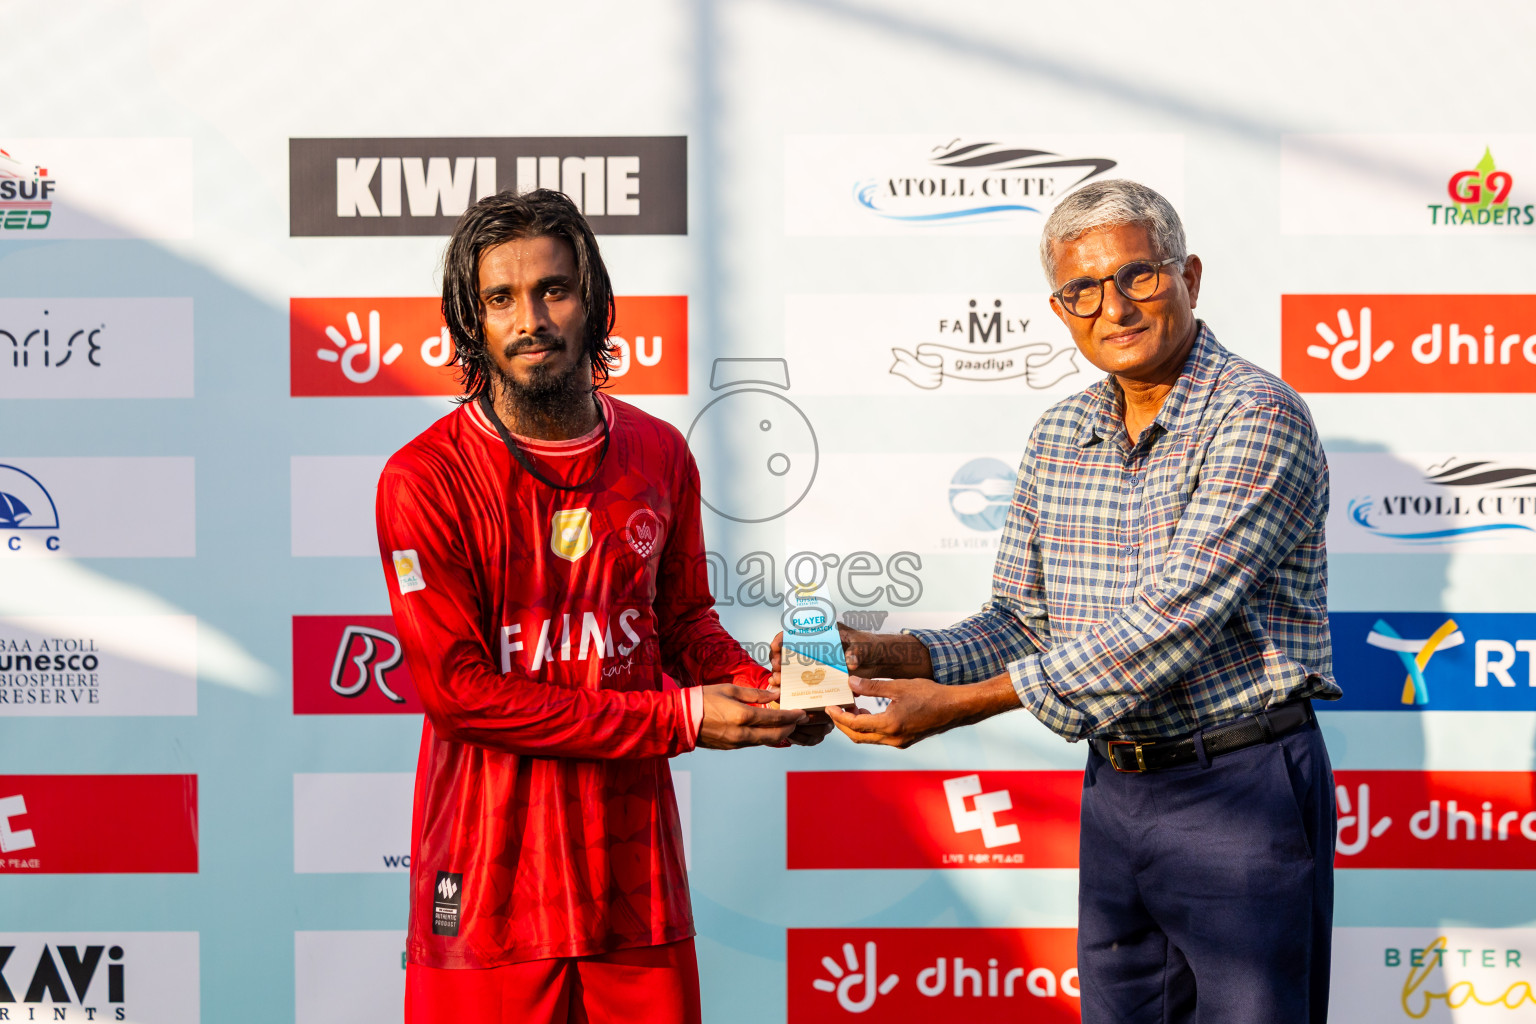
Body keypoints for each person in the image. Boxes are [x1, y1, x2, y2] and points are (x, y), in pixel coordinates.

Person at [787, 179, 1340, 1024]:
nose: (1113, 308)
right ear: (1060, 309)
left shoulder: (1257, 416)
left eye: (1138, 276)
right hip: (1117, 791)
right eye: (1083, 290)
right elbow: (1020, 622)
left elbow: (1172, 621)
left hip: (1238, 787)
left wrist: (956, 706)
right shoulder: (1059, 434)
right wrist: (885, 654)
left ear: (1189, 276)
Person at [378, 188, 822, 1024]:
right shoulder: (424, 478)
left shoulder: (659, 452)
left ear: (595, 301)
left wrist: (778, 690)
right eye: (501, 299)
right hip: (491, 888)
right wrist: (679, 718)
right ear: (471, 320)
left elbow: (683, 624)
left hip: (634, 885)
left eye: (553, 290)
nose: (530, 320)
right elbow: (459, 693)